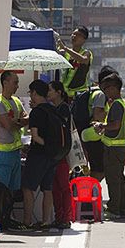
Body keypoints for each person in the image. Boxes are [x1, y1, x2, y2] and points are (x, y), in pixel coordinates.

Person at [21, 80, 59, 230]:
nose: (30, 96)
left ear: (35, 93)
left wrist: (42, 146)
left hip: (38, 155)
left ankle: (27, 221)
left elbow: (35, 137)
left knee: (27, 188)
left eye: (31, 93)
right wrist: (51, 148)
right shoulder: (53, 109)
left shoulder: (36, 112)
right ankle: (46, 221)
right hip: (53, 156)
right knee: (47, 189)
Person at [92, 73, 125, 220]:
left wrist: (101, 125)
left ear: (115, 88)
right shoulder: (124, 103)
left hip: (113, 148)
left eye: (107, 88)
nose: (105, 92)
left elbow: (115, 125)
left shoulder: (116, 104)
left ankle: (115, 209)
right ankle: (122, 208)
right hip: (120, 146)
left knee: (113, 180)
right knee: (120, 179)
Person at [0, 71, 29, 192]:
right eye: (15, 83)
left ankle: (8, 210)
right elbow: (8, 126)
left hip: (16, 151)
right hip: (3, 153)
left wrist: (15, 121)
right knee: (3, 190)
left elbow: (27, 118)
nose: (17, 86)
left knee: (14, 189)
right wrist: (19, 121)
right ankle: (2, 211)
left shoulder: (16, 101)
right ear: (5, 83)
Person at [47, 80, 73, 229]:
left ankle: (66, 217)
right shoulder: (55, 108)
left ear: (59, 92)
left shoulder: (63, 108)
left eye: (50, 90)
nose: (48, 93)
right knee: (55, 188)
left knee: (63, 186)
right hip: (54, 153)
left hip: (62, 153)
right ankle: (59, 216)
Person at [57, 26, 93, 98]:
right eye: (73, 34)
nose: (74, 36)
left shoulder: (87, 53)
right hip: (65, 94)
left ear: (84, 40)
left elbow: (83, 60)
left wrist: (65, 48)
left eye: (78, 35)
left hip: (80, 94)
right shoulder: (66, 53)